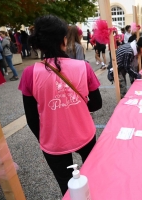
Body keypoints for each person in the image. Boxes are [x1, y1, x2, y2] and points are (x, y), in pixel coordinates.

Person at [18, 15, 102, 195]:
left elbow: (31, 117)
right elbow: (97, 103)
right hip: (85, 133)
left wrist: (45, 138)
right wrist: (75, 107)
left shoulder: (29, 73)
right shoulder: (83, 67)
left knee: (66, 186)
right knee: (93, 176)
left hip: (53, 142)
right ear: (64, 40)